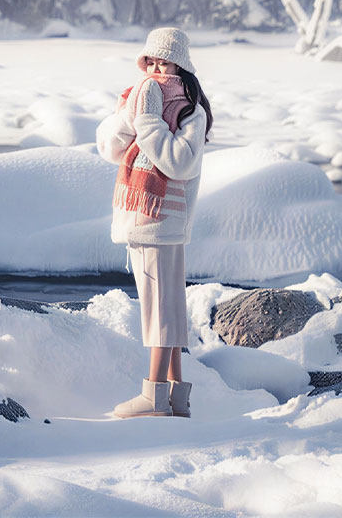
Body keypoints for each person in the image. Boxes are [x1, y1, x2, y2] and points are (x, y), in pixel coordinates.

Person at [96, 27, 212, 419]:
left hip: (162, 220)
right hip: (144, 217)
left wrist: (147, 121)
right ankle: (178, 398)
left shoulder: (188, 110)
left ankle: (153, 397)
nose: (158, 69)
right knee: (170, 309)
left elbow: (179, 161)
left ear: (181, 64)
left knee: (159, 310)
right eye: (152, 62)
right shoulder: (145, 99)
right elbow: (112, 150)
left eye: (165, 62)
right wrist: (129, 115)